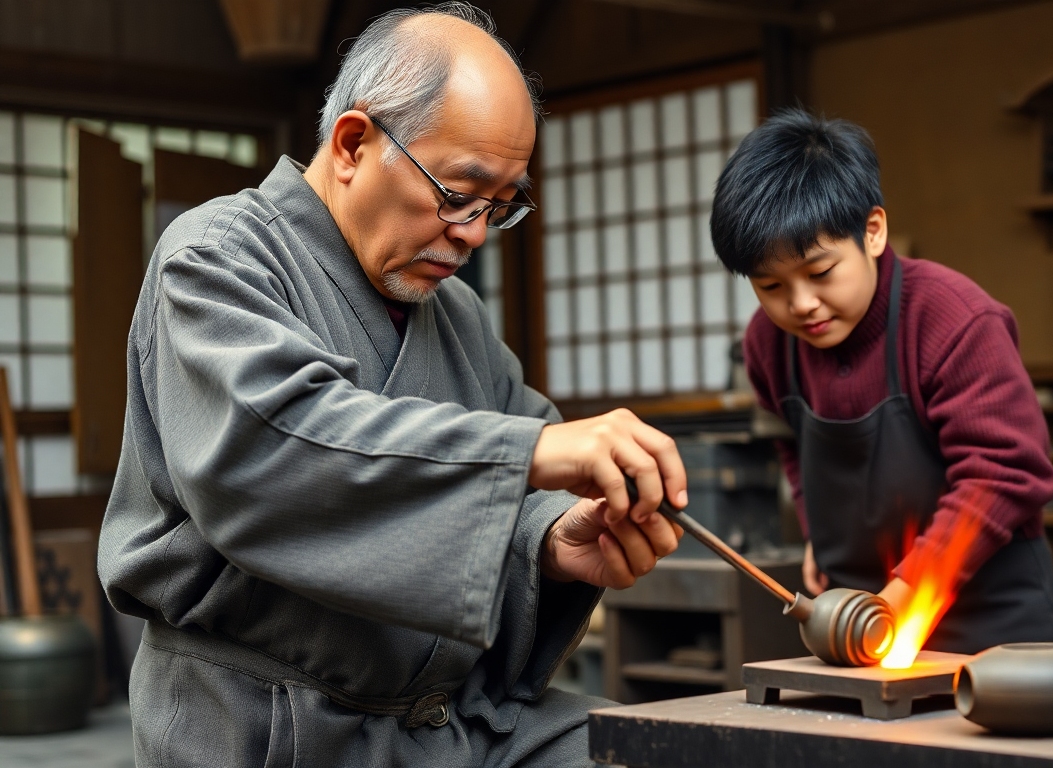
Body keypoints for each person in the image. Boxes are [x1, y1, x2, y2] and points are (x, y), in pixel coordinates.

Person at [98, 4, 685, 766]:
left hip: (446, 723)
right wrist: (532, 454)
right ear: (352, 143)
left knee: (659, 748)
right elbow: (278, 452)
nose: (474, 231)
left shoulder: (459, 317)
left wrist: (552, 537)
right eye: (457, 193)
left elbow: (527, 483)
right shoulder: (215, 260)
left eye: (500, 206)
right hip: (271, 728)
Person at [710, 110, 1053, 655]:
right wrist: (814, 531)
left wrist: (905, 594)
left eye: (821, 273)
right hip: (855, 615)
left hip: (991, 615)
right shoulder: (766, 343)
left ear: (872, 231)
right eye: (771, 285)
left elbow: (1003, 472)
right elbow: (790, 445)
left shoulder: (955, 320)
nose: (802, 304)